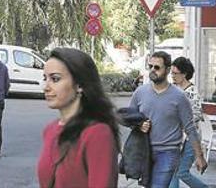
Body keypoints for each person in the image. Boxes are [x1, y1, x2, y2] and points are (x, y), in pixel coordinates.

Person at [37, 47, 118, 188]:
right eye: (45, 78)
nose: (46, 87)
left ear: (79, 84)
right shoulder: (50, 130)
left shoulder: (97, 134)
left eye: (55, 79)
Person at [129, 51, 207, 188]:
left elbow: (190, 127)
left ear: (167, 69)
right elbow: (129, 117)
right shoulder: (140, 93)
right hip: (146, 151)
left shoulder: (179, 96)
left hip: (168, 151)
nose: (153, 70)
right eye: (150, 66)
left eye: (157, 67)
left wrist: (199, 156)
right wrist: (138, 125)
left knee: (168, 180)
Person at [169, 57, 208, 188]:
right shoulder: (173, 89)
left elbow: (196, 115)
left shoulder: (192, 92)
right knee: (174, 172)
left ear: (184, 74)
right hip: (176, 138)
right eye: (171, 73)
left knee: (181, 172)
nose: (173, 76)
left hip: (191, 139)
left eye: (175, 73)